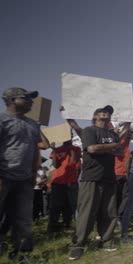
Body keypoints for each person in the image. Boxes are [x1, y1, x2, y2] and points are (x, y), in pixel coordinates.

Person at [69, 105, 122, 260]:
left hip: (109, 177)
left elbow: (119, 152)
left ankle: (106, 240)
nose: (106, 113)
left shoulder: (112, 133)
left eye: (108, 112)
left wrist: (106, 148)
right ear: (95, 116)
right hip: (92, 176)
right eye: (102, 111)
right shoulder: (89, 131)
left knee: (109, 212)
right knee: (87, 212)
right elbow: (91, 149)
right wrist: (111, 147)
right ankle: (79, 244)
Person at [0, 88, 41, 260]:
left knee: (24, 219)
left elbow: (35, 150)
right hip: (3, 176)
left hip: (25, 179)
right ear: (11, 99)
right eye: (26, 98)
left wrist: (33, 172)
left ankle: (22, 254)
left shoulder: (32, 124)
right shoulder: (2, 120)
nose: (31, 102)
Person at [48, 140, 82, 234]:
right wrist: (54, 150)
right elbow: (55, 165)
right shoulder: (58, 149)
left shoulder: (76, 149)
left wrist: (70, 148)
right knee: (55, 206)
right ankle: (53, 228)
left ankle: (68, 224)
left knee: (71, 205)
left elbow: (74, 161)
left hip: (71, 181)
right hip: (58, 181)